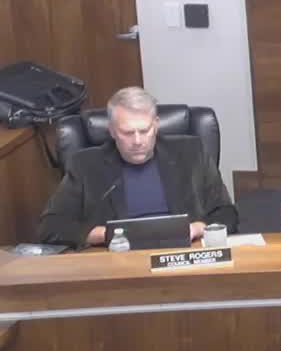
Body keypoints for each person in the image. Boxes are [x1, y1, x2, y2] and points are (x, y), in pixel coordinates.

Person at [37, 86, 238, 248]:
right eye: (127, 132)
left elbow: (227, 213)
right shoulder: (86, 164)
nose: (137, 141)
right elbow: (51, 227)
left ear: (156, 125)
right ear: (112, 130)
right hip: (118, 259)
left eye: (144, 131)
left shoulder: (191, 153)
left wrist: (197, 228)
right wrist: (107, 235)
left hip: (182, 253)